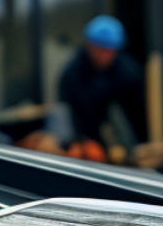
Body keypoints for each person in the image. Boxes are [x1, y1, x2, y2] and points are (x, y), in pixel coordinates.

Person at [58, 15, 144, 163]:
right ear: (88, 45)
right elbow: (69, 111)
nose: (105, 55)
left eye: (110, 50)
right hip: (87, 145)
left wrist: (130, 145)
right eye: (100, 48)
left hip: (124, 143)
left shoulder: (129, 71)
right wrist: (81, 141)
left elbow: (136, 111)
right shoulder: (72, 74)